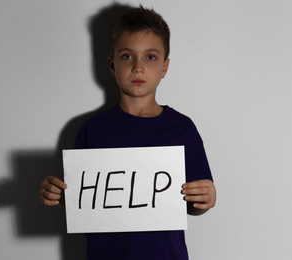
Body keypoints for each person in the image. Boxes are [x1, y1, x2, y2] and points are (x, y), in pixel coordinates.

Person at [40, 5, 216, 260]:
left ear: (165, 67)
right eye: (127, 56)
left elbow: (193, 205)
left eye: (150, 57)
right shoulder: (92, 130)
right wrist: (58, 195)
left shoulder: (182, 129)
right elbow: (83, 202)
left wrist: (206, 198)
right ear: (112, 65)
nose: (137, 67)